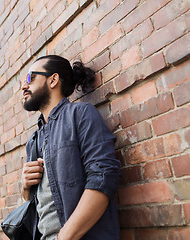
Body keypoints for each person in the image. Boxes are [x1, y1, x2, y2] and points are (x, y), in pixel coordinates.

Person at [20, 55, 121, 240]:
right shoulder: (33, 140)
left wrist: (64, 237)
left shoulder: (80, 115)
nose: (24, 86)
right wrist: (26, 188)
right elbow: (38, 206)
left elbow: (104, 177)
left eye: (30, 78)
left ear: (53, 80)